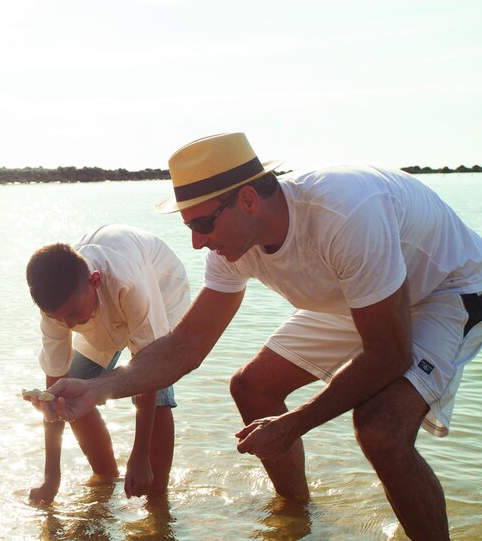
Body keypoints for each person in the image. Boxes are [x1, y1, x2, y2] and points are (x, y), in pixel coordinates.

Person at [34, 133, 482, 539]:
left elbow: (388, 352)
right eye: (188, 226)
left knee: (380, 429)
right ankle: (298, 516)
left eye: (202, 224)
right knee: (251, 386)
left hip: (445, 287)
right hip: (356, 295)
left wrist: (296, 422)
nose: (195, 242)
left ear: (248, 199)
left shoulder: (345, 213)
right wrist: (98, 387)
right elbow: (187, 346)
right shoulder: (230, 248)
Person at [22, 224, 190, 504]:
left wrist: (139, 455)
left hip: (161, 291)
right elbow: (55, 388)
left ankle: (157, 498)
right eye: (59, 318)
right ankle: (106, 478)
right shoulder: (59, 308)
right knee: (72, 389)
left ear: (95, 281)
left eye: (73, 314)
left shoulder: (129, 280)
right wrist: (51, 477)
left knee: (157, 394)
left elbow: (147, 375)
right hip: (99, 309)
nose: (69, 326)